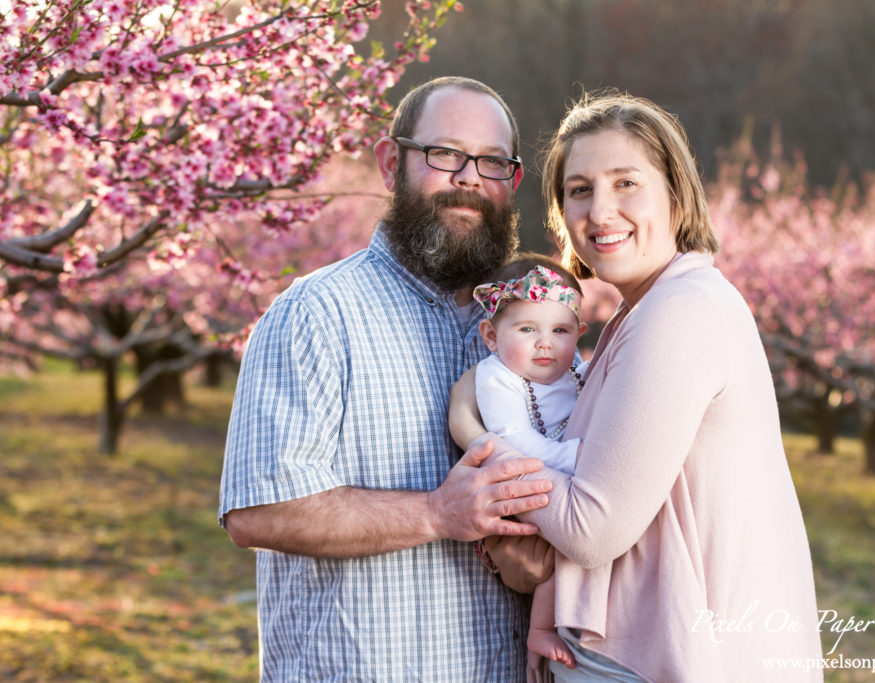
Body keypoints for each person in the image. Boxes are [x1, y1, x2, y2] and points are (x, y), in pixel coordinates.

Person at [450, 90, 824, 682]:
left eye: (627, 183)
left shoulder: (680, 313)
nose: (600, 211)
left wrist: (474, 433)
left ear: (676, 196)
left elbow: (591, 528)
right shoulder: (643, 310)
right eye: (580, 189)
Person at [218, 76, 556, 681]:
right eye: (445, 154)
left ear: (513, 181)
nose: (468, 179)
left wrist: (537, 569)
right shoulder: (315, 314)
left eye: (491, 162)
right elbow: (258, 511)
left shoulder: (528, 328)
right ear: (389, 162)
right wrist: (435, 512)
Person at [466, 255, 589, 673]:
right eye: (526, 329)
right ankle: (541, 628)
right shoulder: (496, 377)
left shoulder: (574, 368)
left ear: (579, 334)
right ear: (490, 335)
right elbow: (516, 442)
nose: (545, 343)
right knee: (551, 551)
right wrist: (582, 458)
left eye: (560, 330)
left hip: (561, 481)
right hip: (519, 491)